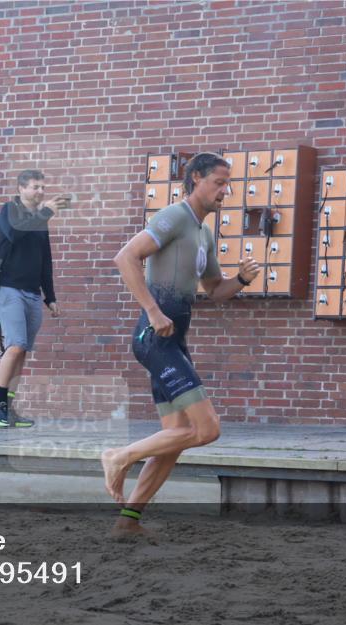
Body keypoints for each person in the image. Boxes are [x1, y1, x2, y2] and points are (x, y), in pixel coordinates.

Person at [102, 153, 260, 536]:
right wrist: (154, 312)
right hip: (156, 338)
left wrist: (239, 280)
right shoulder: (173, 216)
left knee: (174, 439)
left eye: (228, 183)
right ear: (195, 179)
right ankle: (118, 456)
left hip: (174, 340)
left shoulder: (204, 232)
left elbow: (213, 290)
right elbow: (126, 257)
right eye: (219, 182)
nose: (226, 190)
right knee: (207, 430)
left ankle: (129, 521)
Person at [0, 169, 65, 428]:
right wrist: (44, 213)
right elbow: (16, 233)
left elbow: (46, 261)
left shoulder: (40, 222)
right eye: (35, 187)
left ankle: (10, 408)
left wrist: (50, 296)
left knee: (22, 353)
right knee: (16, 345)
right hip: (9, 290)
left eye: (43, 187)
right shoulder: (9, 210)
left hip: (32, 295)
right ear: (21, 189)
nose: (40, 191)